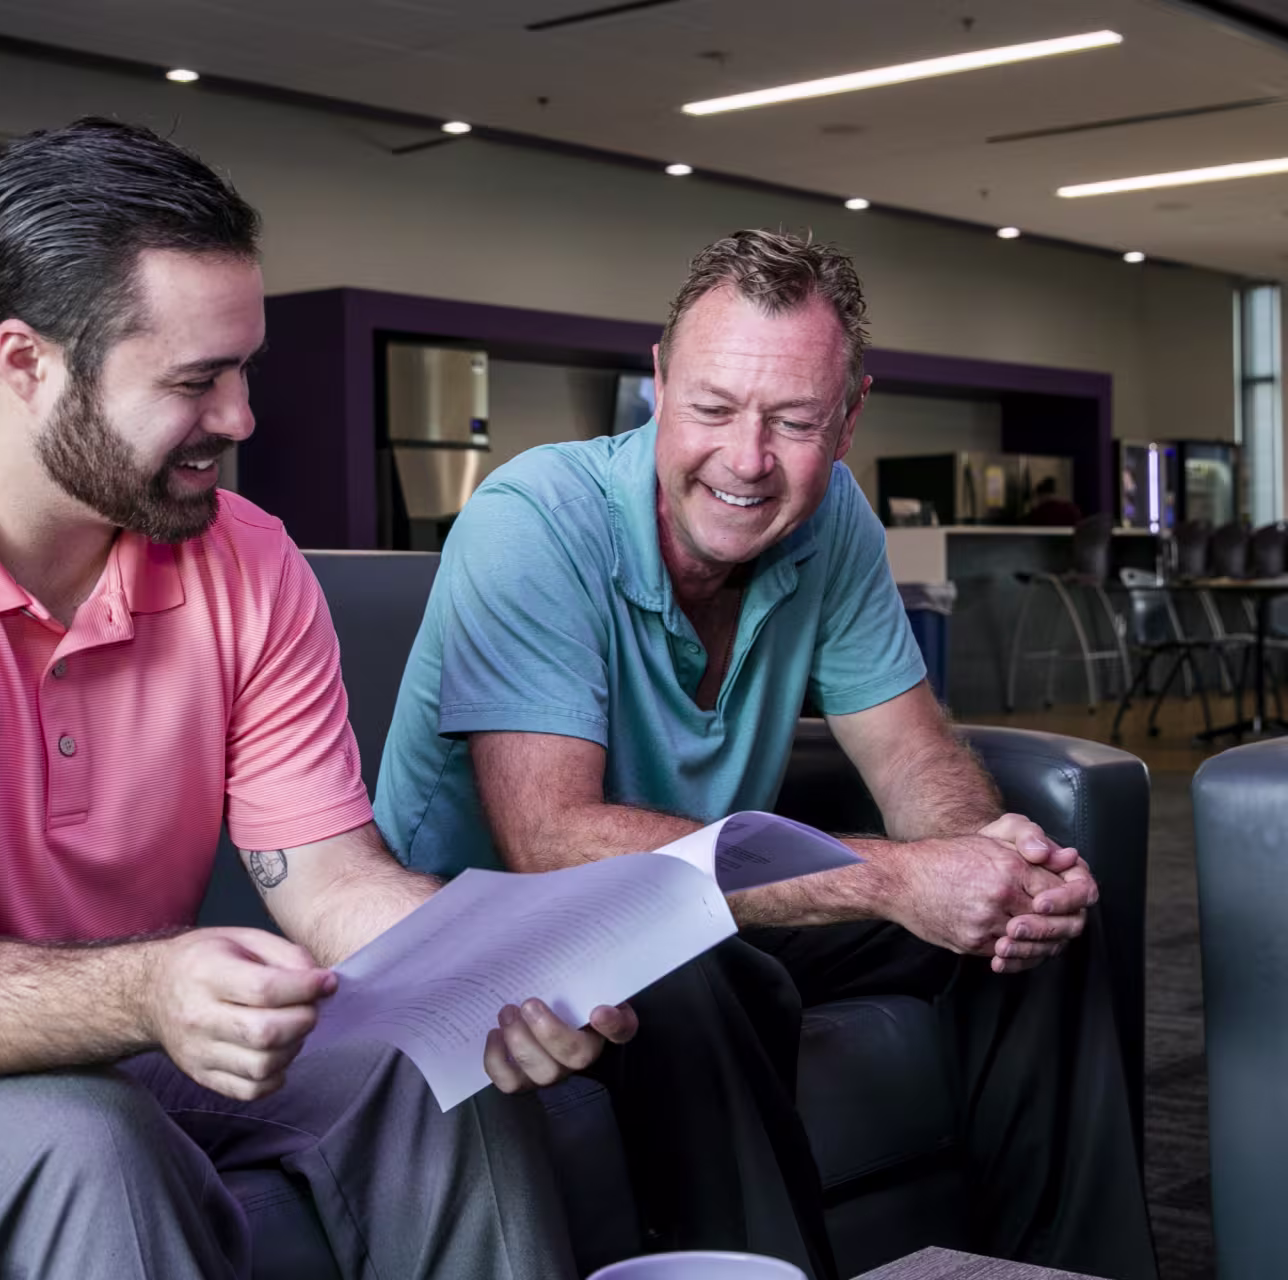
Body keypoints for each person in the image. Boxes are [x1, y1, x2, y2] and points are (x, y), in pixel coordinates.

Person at [0, 118, 636, 1280]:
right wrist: (151, 984)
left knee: (429, 1064)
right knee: (90, 1143)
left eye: (243, 369)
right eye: (195, 380)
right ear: (27, 361)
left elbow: (330, 881)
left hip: (106, 1023)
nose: (241, 417)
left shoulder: (247, 561)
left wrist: (491, 968)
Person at [374, 229, 1157, 1280]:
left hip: (709, 903)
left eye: (793, 421)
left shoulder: (833, 520)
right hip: (494, 933)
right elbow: (552, 842)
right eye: (712, 408)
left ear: (849, 415)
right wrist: (895, 878)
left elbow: (913, 757)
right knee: (683, 963)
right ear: (659, 381)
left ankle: (1062, 1270)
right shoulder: (535, 521)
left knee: (1029, 928)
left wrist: (981, 861)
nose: (746, 460)